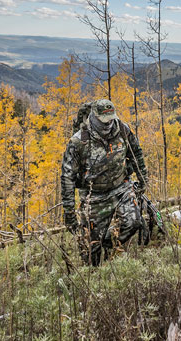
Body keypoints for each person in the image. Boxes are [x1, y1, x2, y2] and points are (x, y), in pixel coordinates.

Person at [61, 99, 148, 265]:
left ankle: (110, 248)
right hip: (93, 196)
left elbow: (137, 153)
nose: (108, 124)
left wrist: (143, 179)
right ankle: (93, 273)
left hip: (121, 188)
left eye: (111, 119)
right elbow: (67, 178)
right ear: (94, 117)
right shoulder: (78, 142)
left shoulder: (123, 129)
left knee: (133, 222)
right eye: (104, 121)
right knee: (90, 249)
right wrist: (69, 213)